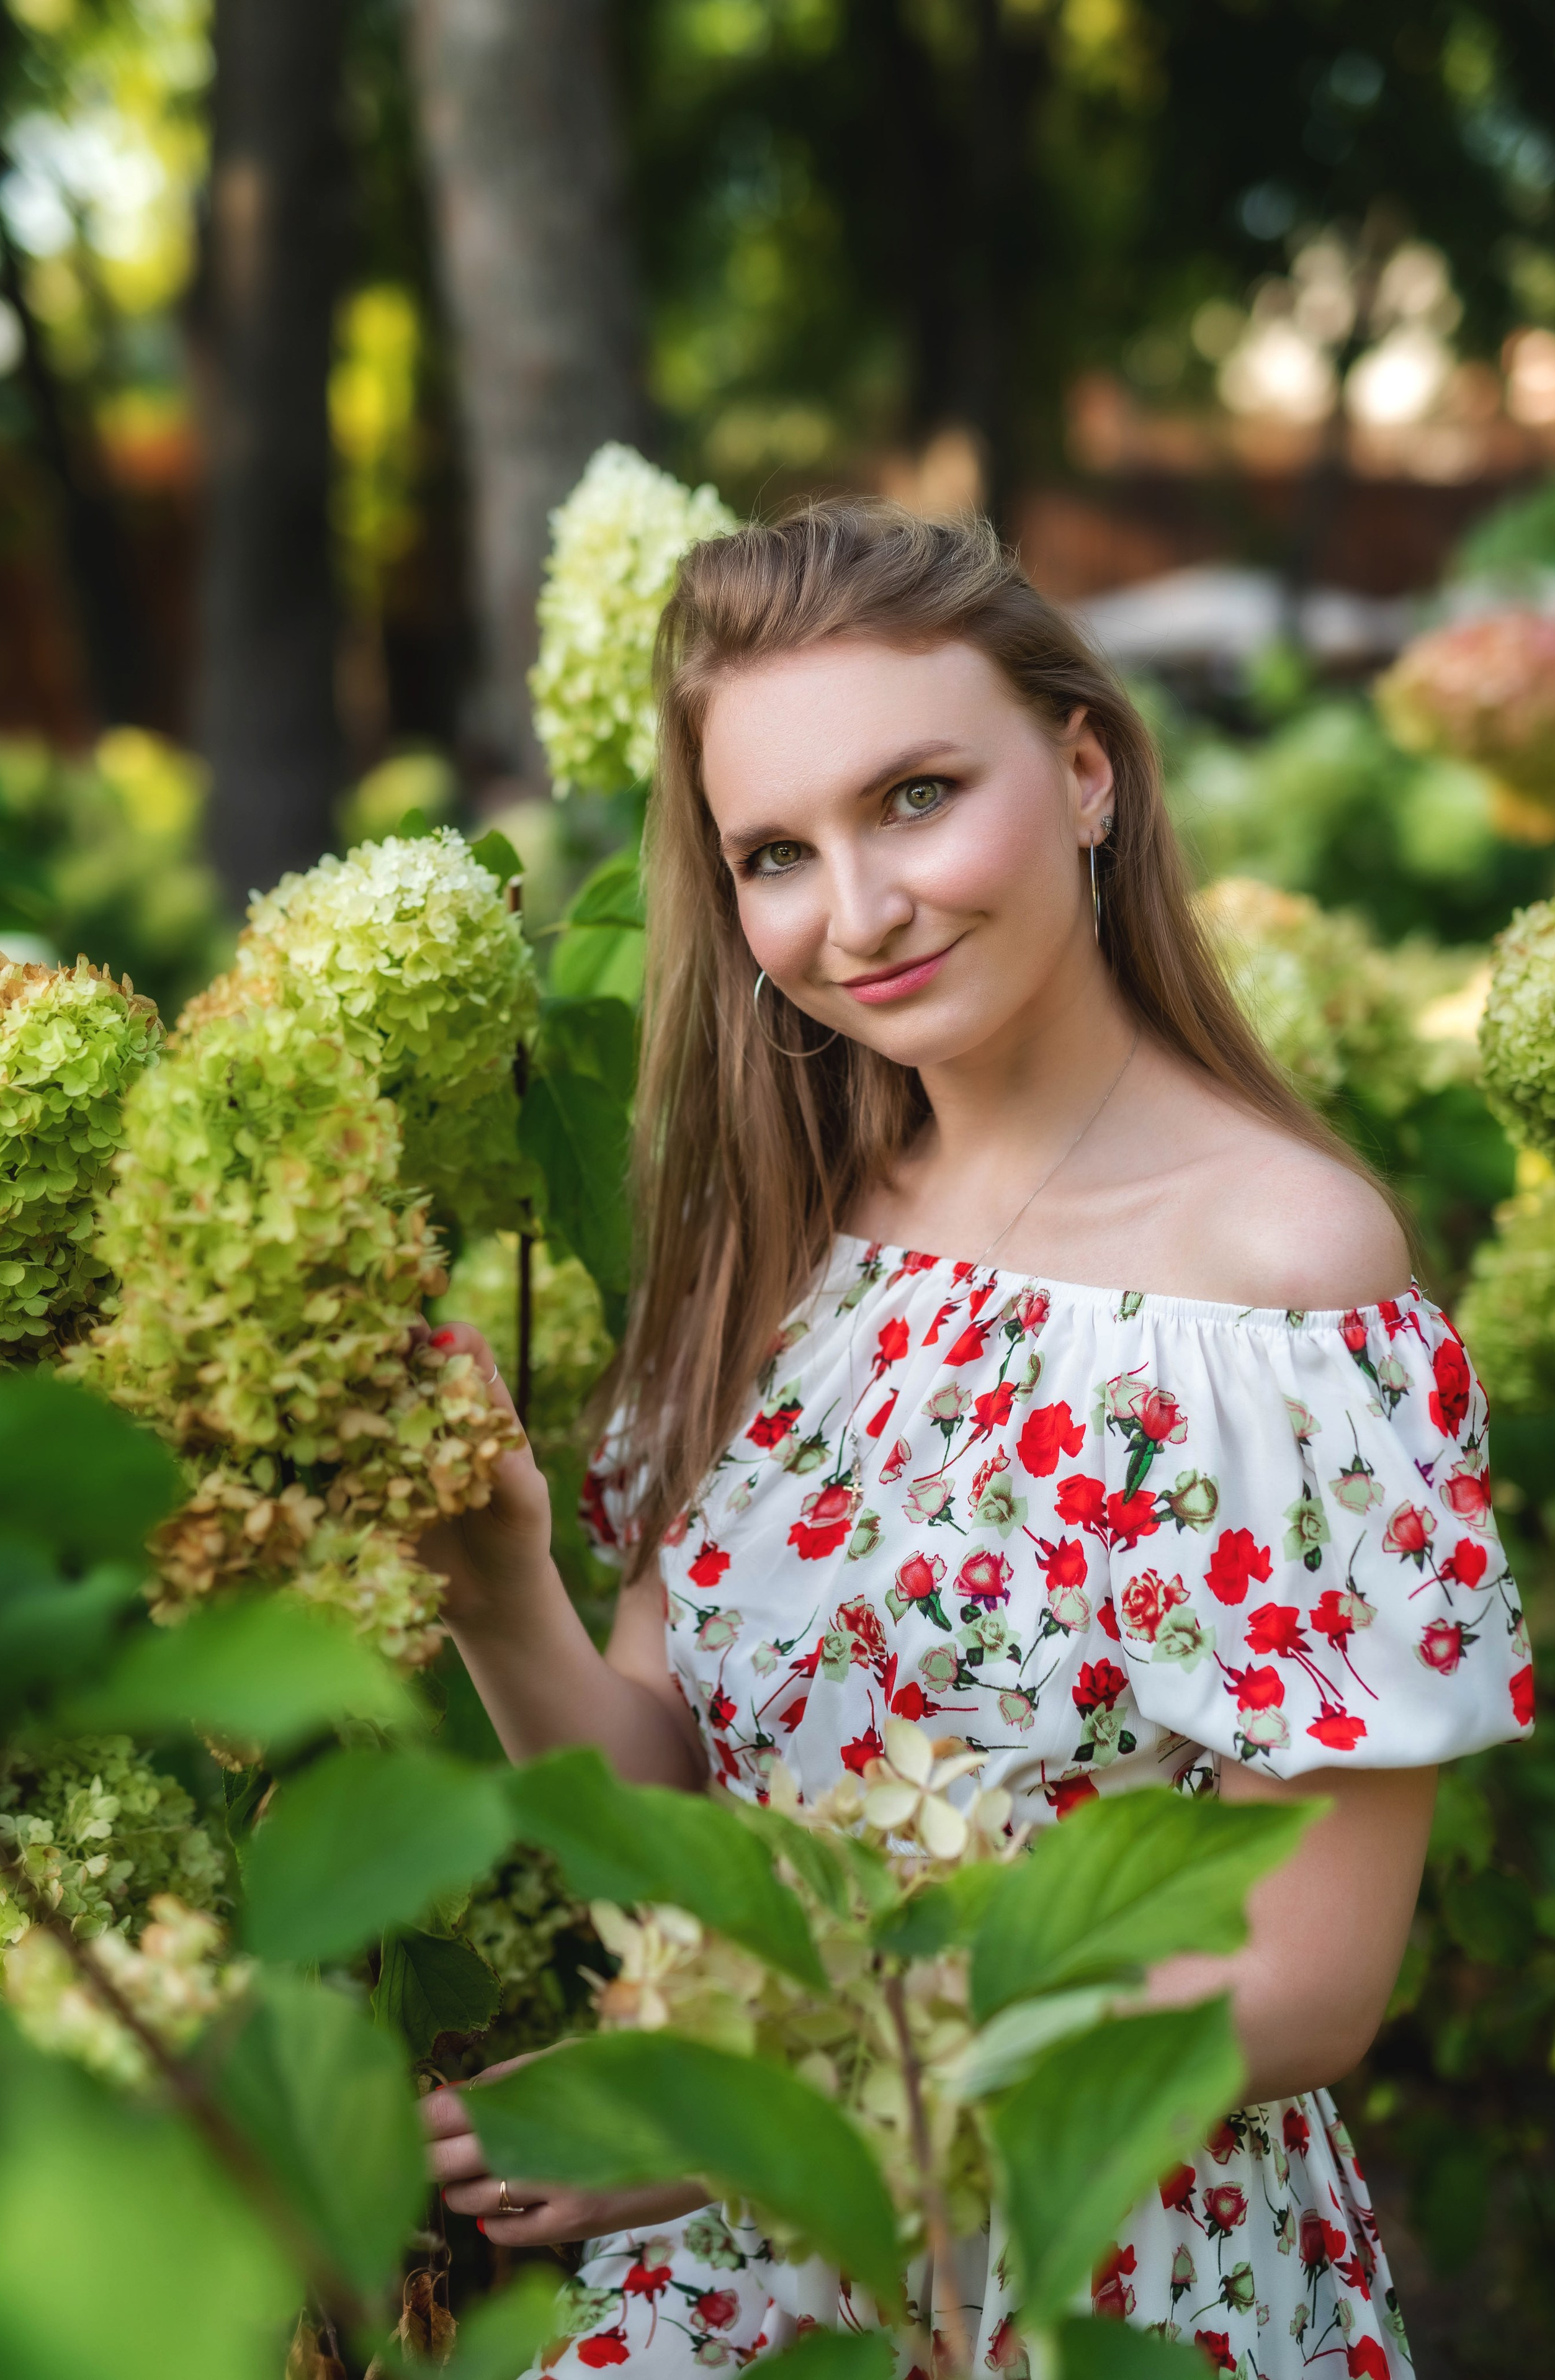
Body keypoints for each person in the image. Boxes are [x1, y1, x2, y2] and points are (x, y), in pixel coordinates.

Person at [419, 503, 1533, 2377]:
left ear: (1087, 771)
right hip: (752, 2291)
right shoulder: (774, 1250)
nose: (857, 912)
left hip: (1107, 2267)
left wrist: (753, 2101)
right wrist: (496, 1585)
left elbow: (1308, 1982)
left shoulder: (1281, 1282)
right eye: (778, 853)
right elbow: (680, 1840)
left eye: (917, 798)